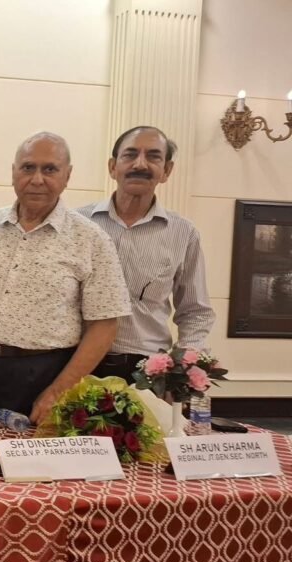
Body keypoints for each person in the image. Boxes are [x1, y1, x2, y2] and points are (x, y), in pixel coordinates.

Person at [0, 132, 130, 424]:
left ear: (67, 175)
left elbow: (104, 325)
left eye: (49, 169)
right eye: (28, 168)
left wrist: (58, 390)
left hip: (43, 375)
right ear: (13, 172)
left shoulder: (91, 239)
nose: (37, 179)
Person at [78, 126, 215, 380]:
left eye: (153, 156)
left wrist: (182, 372)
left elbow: (196, 312)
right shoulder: (78, 224)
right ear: (112, 167)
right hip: (77, 364)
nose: (140, 164)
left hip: (147, 371)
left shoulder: (183, 233)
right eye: (130, 155)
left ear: (167, 171)